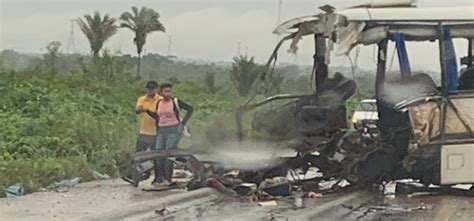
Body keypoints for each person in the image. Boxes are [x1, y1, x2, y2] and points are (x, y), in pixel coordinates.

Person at [146, 83, 193, 186]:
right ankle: (160, 178)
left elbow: (190, 109)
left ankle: (168, 179)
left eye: (169, 91)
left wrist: (182, 124)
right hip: (162, 131)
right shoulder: (159, 103)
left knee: (168, 155)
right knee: (158, 154)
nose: (168, 94)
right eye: (165, 91)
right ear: (161, 92)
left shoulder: (175, 102)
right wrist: (147, 111)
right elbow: (158, 116)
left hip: (173, 130)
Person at [122, 80, 162, 184]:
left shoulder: (160, 100)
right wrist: (141, 109)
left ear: (156, 89)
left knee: (156, 157)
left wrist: (147, 110)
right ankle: (133, 175)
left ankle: (157, 178)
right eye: (149, 88)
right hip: (144, 131)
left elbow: (159, 115)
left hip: (156, 133)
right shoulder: (142, 99)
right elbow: (137, 110)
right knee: (138, 155)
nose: (150, 90)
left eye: (152, 88)